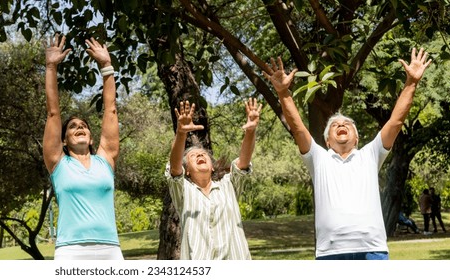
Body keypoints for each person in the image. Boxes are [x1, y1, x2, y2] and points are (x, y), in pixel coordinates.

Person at [262, 48, 431, 260]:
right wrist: (283, 93)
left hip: (373, 251)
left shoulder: (370, 154)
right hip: (330, 253)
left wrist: (411, 82)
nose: (341, 124)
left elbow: (396, 122)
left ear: (357, 138)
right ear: (327, 140)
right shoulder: (318, 158)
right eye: (335, 125)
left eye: (347, 124)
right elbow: (297, 128)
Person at [43, 35, 122, 260]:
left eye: (84, 126)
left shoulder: (105, 159)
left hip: (110, 249)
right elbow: (53, 112)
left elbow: (111, 110)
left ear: (91, 138)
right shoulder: (58, 163)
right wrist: (51, 67)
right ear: (64, 141)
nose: (79, 128)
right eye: (73, 127)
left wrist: (107, 66)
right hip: (71, 251)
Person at [165, 98, 261, 260]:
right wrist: (181, 133)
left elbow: (243, 162)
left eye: (203, 154)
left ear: (213, 167)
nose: (200, 155)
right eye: (193, 156)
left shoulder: (228, 186)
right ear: (187, 171)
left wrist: (251, 130)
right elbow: (174, 168)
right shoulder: (183, 192)